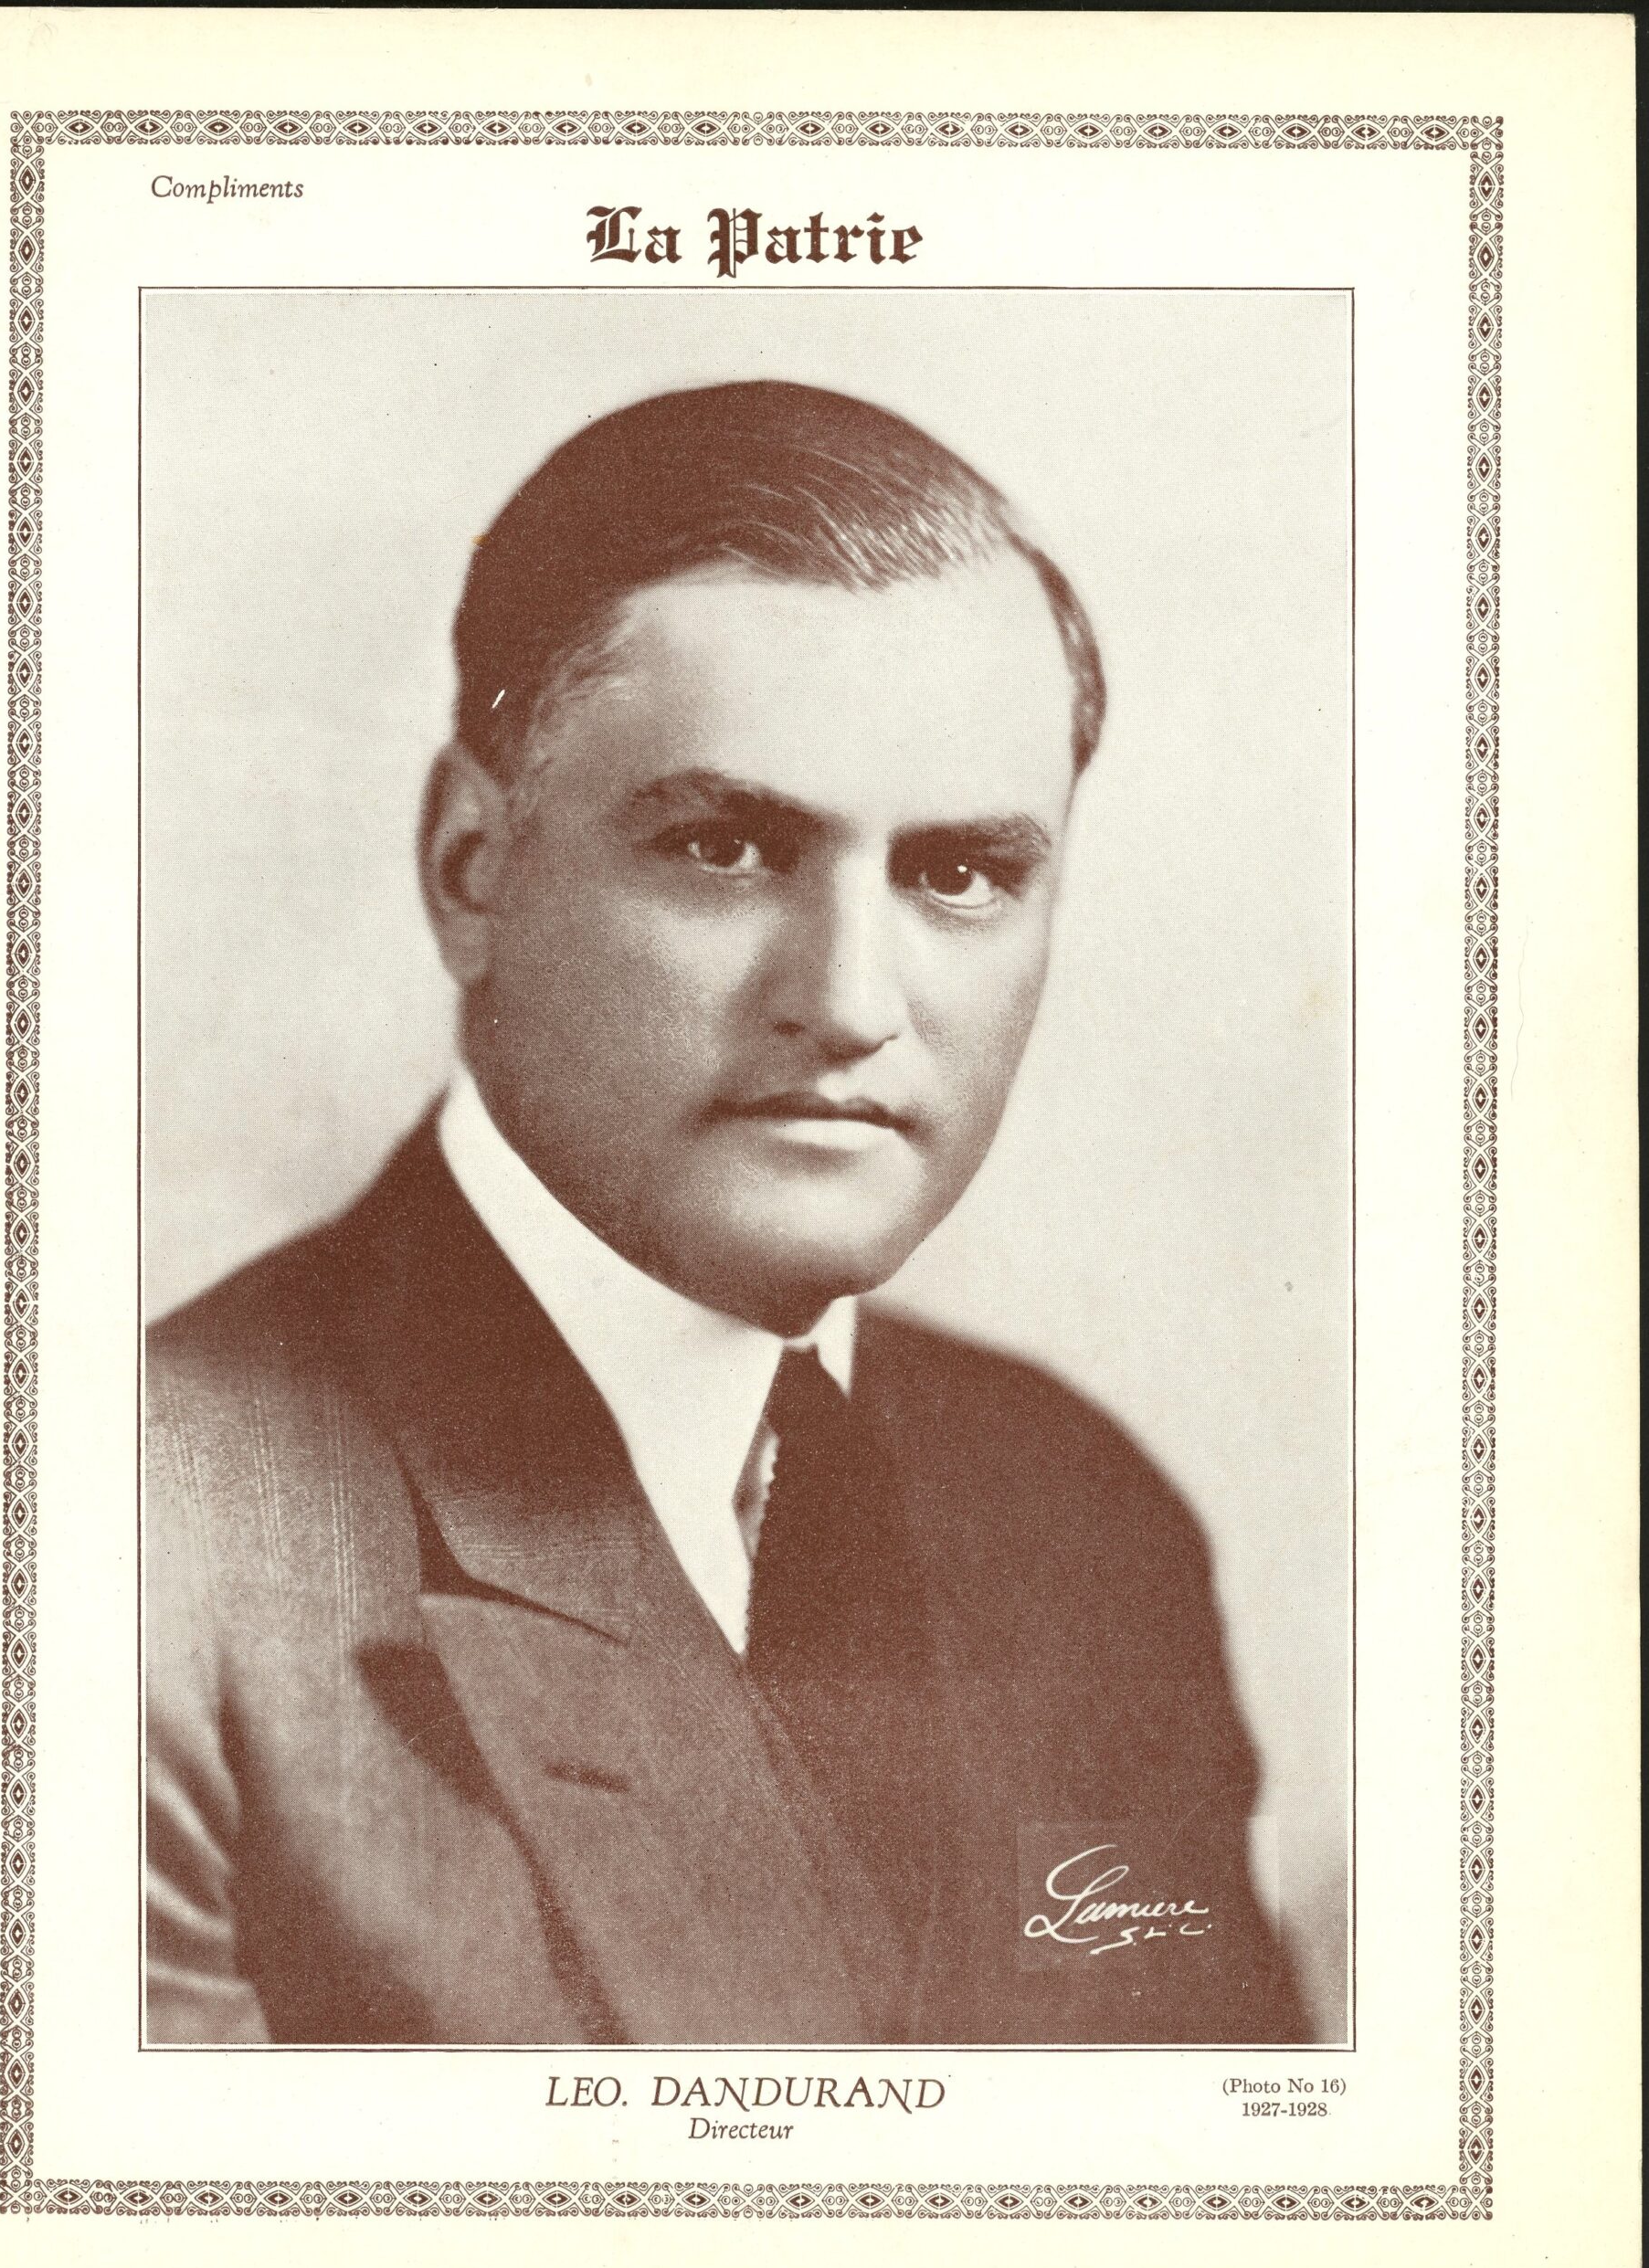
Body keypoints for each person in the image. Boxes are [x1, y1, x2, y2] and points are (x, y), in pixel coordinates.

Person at [146, 378, 1306, 2046]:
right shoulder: (135, 1558)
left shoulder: (1080, 1521)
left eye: (960, 874)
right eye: (724, 848)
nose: (850, 1002)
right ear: (472, 867)